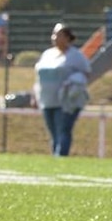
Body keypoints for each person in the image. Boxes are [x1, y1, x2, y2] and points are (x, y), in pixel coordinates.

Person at [34, 24, 90, 156]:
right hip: (47, 100)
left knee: (63, 130)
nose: (54, 37)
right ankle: (55, 158)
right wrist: (34, 94)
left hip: (66, 101)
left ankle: (61, 158)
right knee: (53, 133)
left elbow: (86, 73)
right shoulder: (47, 54)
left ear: (67, 37)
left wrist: (73, 84)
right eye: (53, 34)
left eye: (58, 34)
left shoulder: (75, 56)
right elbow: (39, 76)